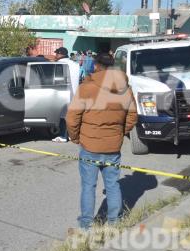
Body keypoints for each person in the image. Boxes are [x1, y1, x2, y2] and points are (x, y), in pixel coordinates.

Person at [65, 52, 137, 229]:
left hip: (89, 146)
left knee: (88, 186)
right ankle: (114, 223)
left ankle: (87, 226)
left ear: (96, 66)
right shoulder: (124, 88)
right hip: (113, 146)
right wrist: (120, 132)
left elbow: (72, 117)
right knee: (113, 185)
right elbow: (132, 115)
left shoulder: (86, 87)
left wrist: (75, 137)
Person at [52, 47, 81, 143]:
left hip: (63, 93)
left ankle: (63, 136)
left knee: (63, 116)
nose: (55, 55)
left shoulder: (59, 64)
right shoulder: (75, 64)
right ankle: (69, 135)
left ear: (60, 54)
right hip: (75, 93)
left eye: (56, 54)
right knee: (71, 116)